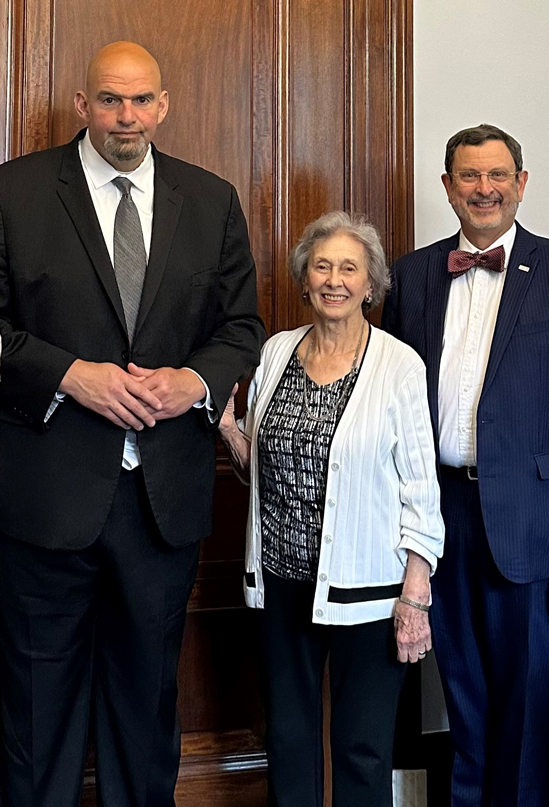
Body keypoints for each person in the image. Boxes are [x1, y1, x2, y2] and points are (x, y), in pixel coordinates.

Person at [0, 41, 265, 807]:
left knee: (146, 707)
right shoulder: (14, 192)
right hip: (43, 502)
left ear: (164, 104)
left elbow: (240, 327)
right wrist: (69, 376)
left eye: (142, 100)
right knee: (35, 714)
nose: (127, 116)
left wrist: (193, 381)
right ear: (82, 105)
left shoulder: (210, 199)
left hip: (164, 501)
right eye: (111, 100)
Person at [382, 123, 549, 807]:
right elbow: (389, 401)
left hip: (536, 526)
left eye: (498, 175)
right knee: (464, 697)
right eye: (470, 176)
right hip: (440, 518)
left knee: (526, 707)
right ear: (447, 186)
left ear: (521, 184)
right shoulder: (413, 274)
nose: (485, 188)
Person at [218, 211, 444, 807]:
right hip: (281, 583)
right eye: (323, 266)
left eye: (350, 268)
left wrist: (415, 596)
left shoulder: (400, 365)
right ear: (305, 277)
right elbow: (263, 472)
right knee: (288, 741)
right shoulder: (275, 351)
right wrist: (231, 434)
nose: (335, 279)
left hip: (368, 590)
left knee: (362, 748)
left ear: (371, 285)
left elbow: (422, 491)